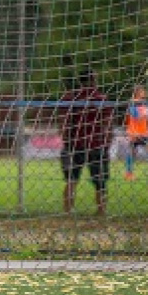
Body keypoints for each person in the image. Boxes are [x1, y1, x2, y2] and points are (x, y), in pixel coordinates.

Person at [59, 66, 114, 216]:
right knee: (100, 182)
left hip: (76, 144)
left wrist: (66, 140)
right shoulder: (100, 99)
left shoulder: (71, 98)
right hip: (96, 144)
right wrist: (107, 142)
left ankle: (68, 211)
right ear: (93, 80)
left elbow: (64, 122)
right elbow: (107, 124)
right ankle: (101, 210)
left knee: (72, 179)